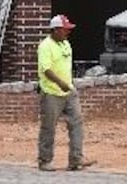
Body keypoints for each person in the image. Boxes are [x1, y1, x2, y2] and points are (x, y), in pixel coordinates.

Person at [37, 14, 94, 172]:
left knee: (76, 124)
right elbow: (46, 69)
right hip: (51, 92)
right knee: (49, 127)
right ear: (55, 30)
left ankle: (76, 159)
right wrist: (60, 83)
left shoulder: (66, 44)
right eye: (65, 29)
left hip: (68, 90)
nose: (67, 32)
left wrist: (69, 84)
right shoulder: (45, 46)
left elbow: (66, 67)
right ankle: (45, 160)